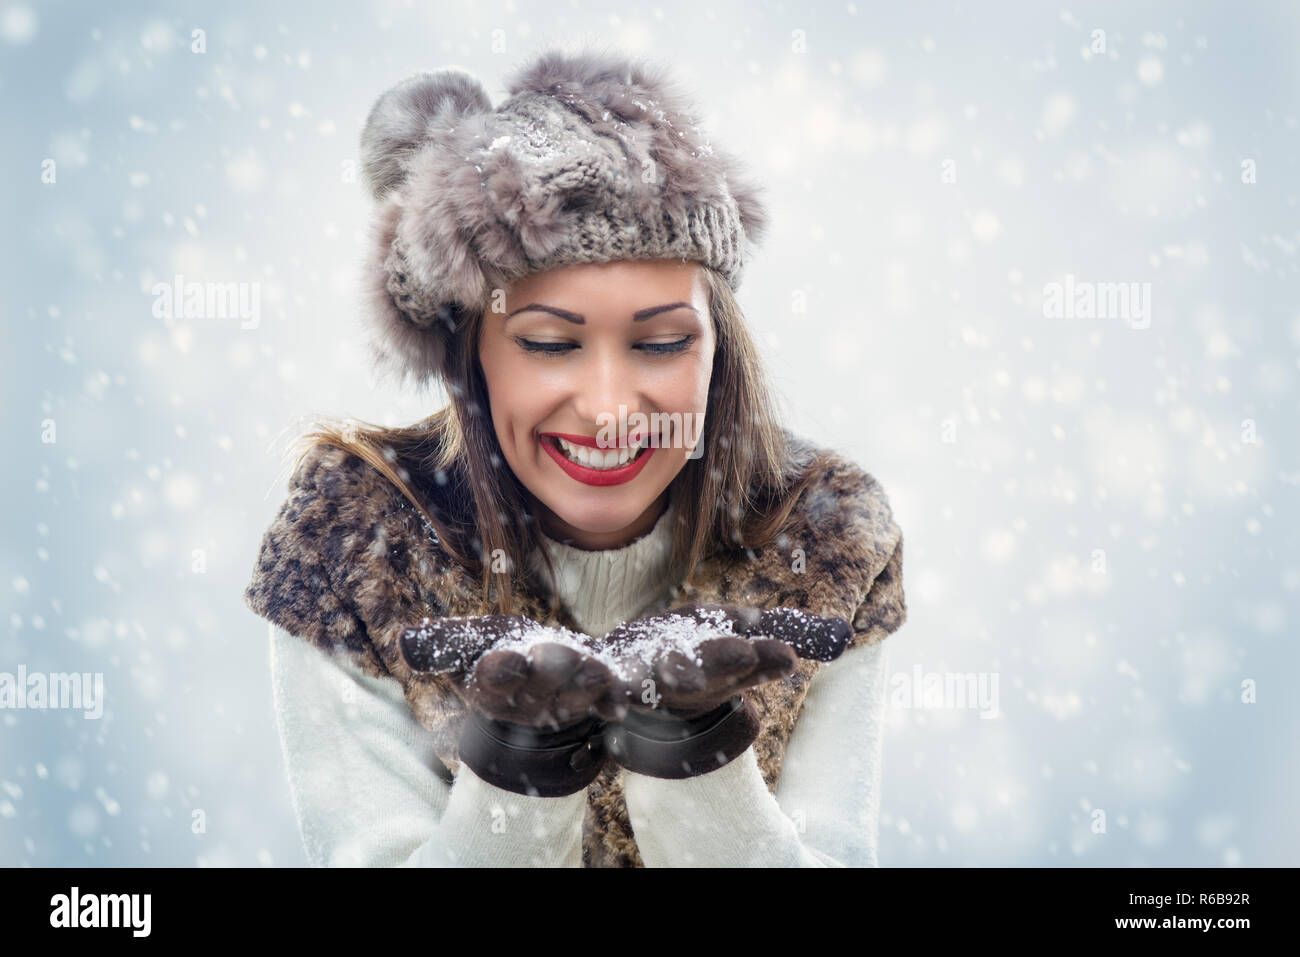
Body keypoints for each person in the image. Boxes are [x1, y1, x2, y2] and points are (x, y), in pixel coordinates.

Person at [244, 46, 907, 868]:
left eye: (661, 341)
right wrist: (521, 771)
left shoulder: (826, 537)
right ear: (470, 357)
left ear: (717, 351)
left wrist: (688, 749)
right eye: (550, 343)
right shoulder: (354, 537)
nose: (609, 408)